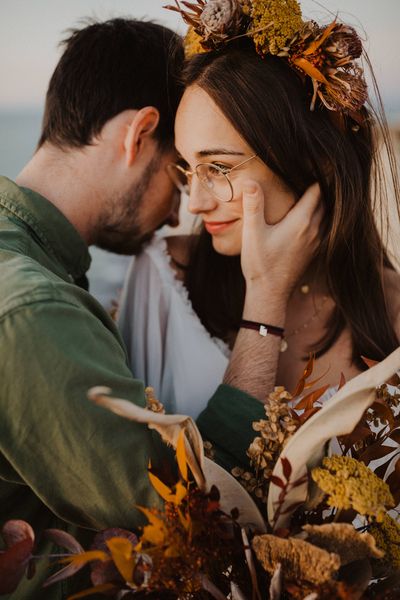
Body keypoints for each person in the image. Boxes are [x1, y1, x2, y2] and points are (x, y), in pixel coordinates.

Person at [0, 16, 321, 599]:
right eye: (179, 175)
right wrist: (267, 295)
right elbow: (189, 513)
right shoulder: (33, 308)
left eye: (213, 168)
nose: (181, 215)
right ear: (139, 132)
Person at [118, 1, 400, 419]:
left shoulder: (392, 312)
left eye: (218, 167)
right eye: (189, 168)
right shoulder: (161, 280)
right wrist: (265, 293)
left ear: (313, 161)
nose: (195, 202)